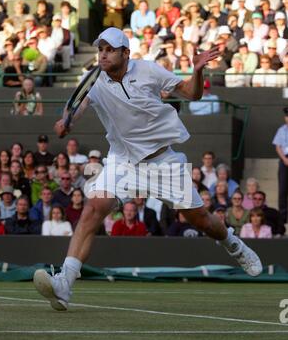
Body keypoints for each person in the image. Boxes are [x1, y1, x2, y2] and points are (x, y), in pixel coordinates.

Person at [33, 26, 262, 311]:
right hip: (122, 161)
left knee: (200, 220)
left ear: (125, 53)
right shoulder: (93, 80)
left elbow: (192, 94)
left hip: (162, 161)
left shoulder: (150, 71)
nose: (103, 55)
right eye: (100, 49)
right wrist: (67, 121)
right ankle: (64, 283)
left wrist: (198, 71)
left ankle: (233, 244)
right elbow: (78, 106)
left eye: (109, 50)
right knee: (93, 209)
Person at [272, 107, 288, 223]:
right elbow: (278, 147)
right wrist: (284, 159)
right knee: (283, 189)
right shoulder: (281, 130)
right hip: (285, 160)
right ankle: (283, 217)